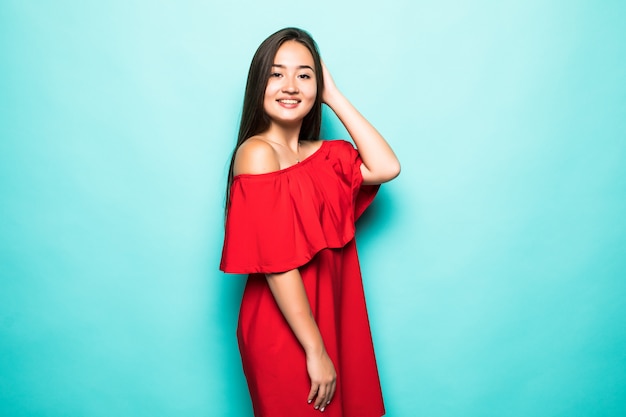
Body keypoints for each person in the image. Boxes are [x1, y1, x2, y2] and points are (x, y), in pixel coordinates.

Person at [220, 27, 400, 417]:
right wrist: (314, 349)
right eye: (276, 73)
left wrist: (333, 96)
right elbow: (276, 261)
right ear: (258, 83)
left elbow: (386, 166)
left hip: (332, 318)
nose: (290, 86)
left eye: (304, 75)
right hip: (285, 329)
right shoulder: (256, 153)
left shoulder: (327, 158)